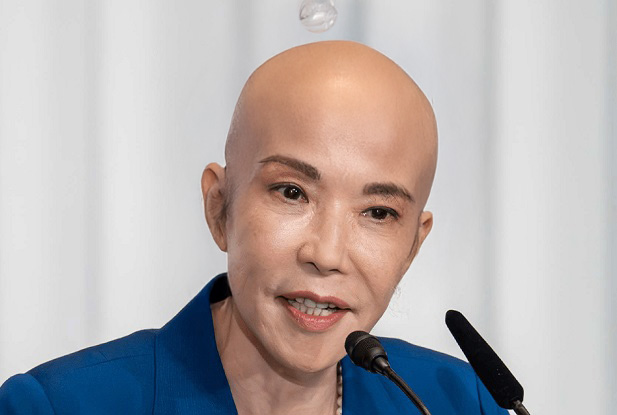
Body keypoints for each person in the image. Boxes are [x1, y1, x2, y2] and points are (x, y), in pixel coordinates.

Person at [0, 41, 506, 414]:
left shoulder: (460, 402)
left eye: (378, 213)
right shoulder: (57, 405)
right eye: (292, 192)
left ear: (412, 247)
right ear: (219, 207)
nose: (328, 254)